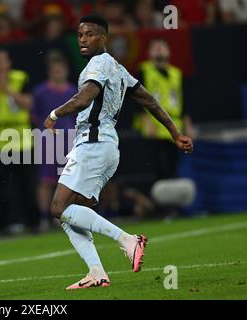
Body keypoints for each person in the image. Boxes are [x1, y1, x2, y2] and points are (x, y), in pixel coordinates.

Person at [44, 14, 193, 289]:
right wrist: (175, 133)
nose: (83, 39)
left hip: (94, 143)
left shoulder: (99, 64)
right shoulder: (118, 68)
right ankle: (96, 272)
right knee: (72, 215)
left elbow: (84, 98)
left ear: (104, 38)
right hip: (107, 147)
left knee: (58, 207)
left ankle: (128, 239)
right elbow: (149, 101)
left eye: (90, 34)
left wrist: (54, 113)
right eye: (79, 35)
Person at [0, 49, 38, 234]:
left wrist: (8, 88)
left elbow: (28, 103)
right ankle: (0, 226)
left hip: (21, 143)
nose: (1, 65)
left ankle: (32, 223)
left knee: (26, 186)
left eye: (4, 61)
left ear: (9, 63)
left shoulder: (21, 78)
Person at [133, 38, 194, 180]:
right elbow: (135, 97)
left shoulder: (177, 74)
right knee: (156, 165)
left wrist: (187, 123)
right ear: (149, 53)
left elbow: (184, 100)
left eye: (163, 47)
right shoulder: (144, 71)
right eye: (155, 47)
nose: (160, 49)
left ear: (169, 52)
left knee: (173, 165)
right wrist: (145, 119)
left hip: (174, 124)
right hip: (152, 122)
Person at [31, 50, 77, 230]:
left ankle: (62, 215)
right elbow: (35, 116)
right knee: (46, 181)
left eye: (61, 69)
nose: (58, 72)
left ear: (65, 70)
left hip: (69, 141)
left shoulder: (73, 91)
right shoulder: (40, 92)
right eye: (54, 69)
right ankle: (44, 217)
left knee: (66, 181)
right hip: (47, 141)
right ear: (49, 71)